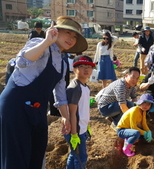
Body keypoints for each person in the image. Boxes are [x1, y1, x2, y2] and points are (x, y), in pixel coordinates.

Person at [0, 16, 88, 169]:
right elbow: (21, 62)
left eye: (74, 36)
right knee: (16, 158)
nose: (71, 39)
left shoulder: (63, 62)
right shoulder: (40, 44)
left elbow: (60, 94)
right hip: (15, 108)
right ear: (56, 31)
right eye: (68, 33)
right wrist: (47, 41)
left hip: (38, 110)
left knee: (37, 154)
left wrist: (66, 117)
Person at [64, 55, 95, 168]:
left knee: (74, 155)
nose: (86, 69)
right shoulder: (74, 88)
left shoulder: (85, 87)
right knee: (81, 158)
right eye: (82, 66)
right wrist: (74, 134)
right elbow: (71, 113)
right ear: (74, 69)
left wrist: (87, 125)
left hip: (80, 128)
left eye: (89, 67)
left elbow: (84, 108)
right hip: (75, 130)